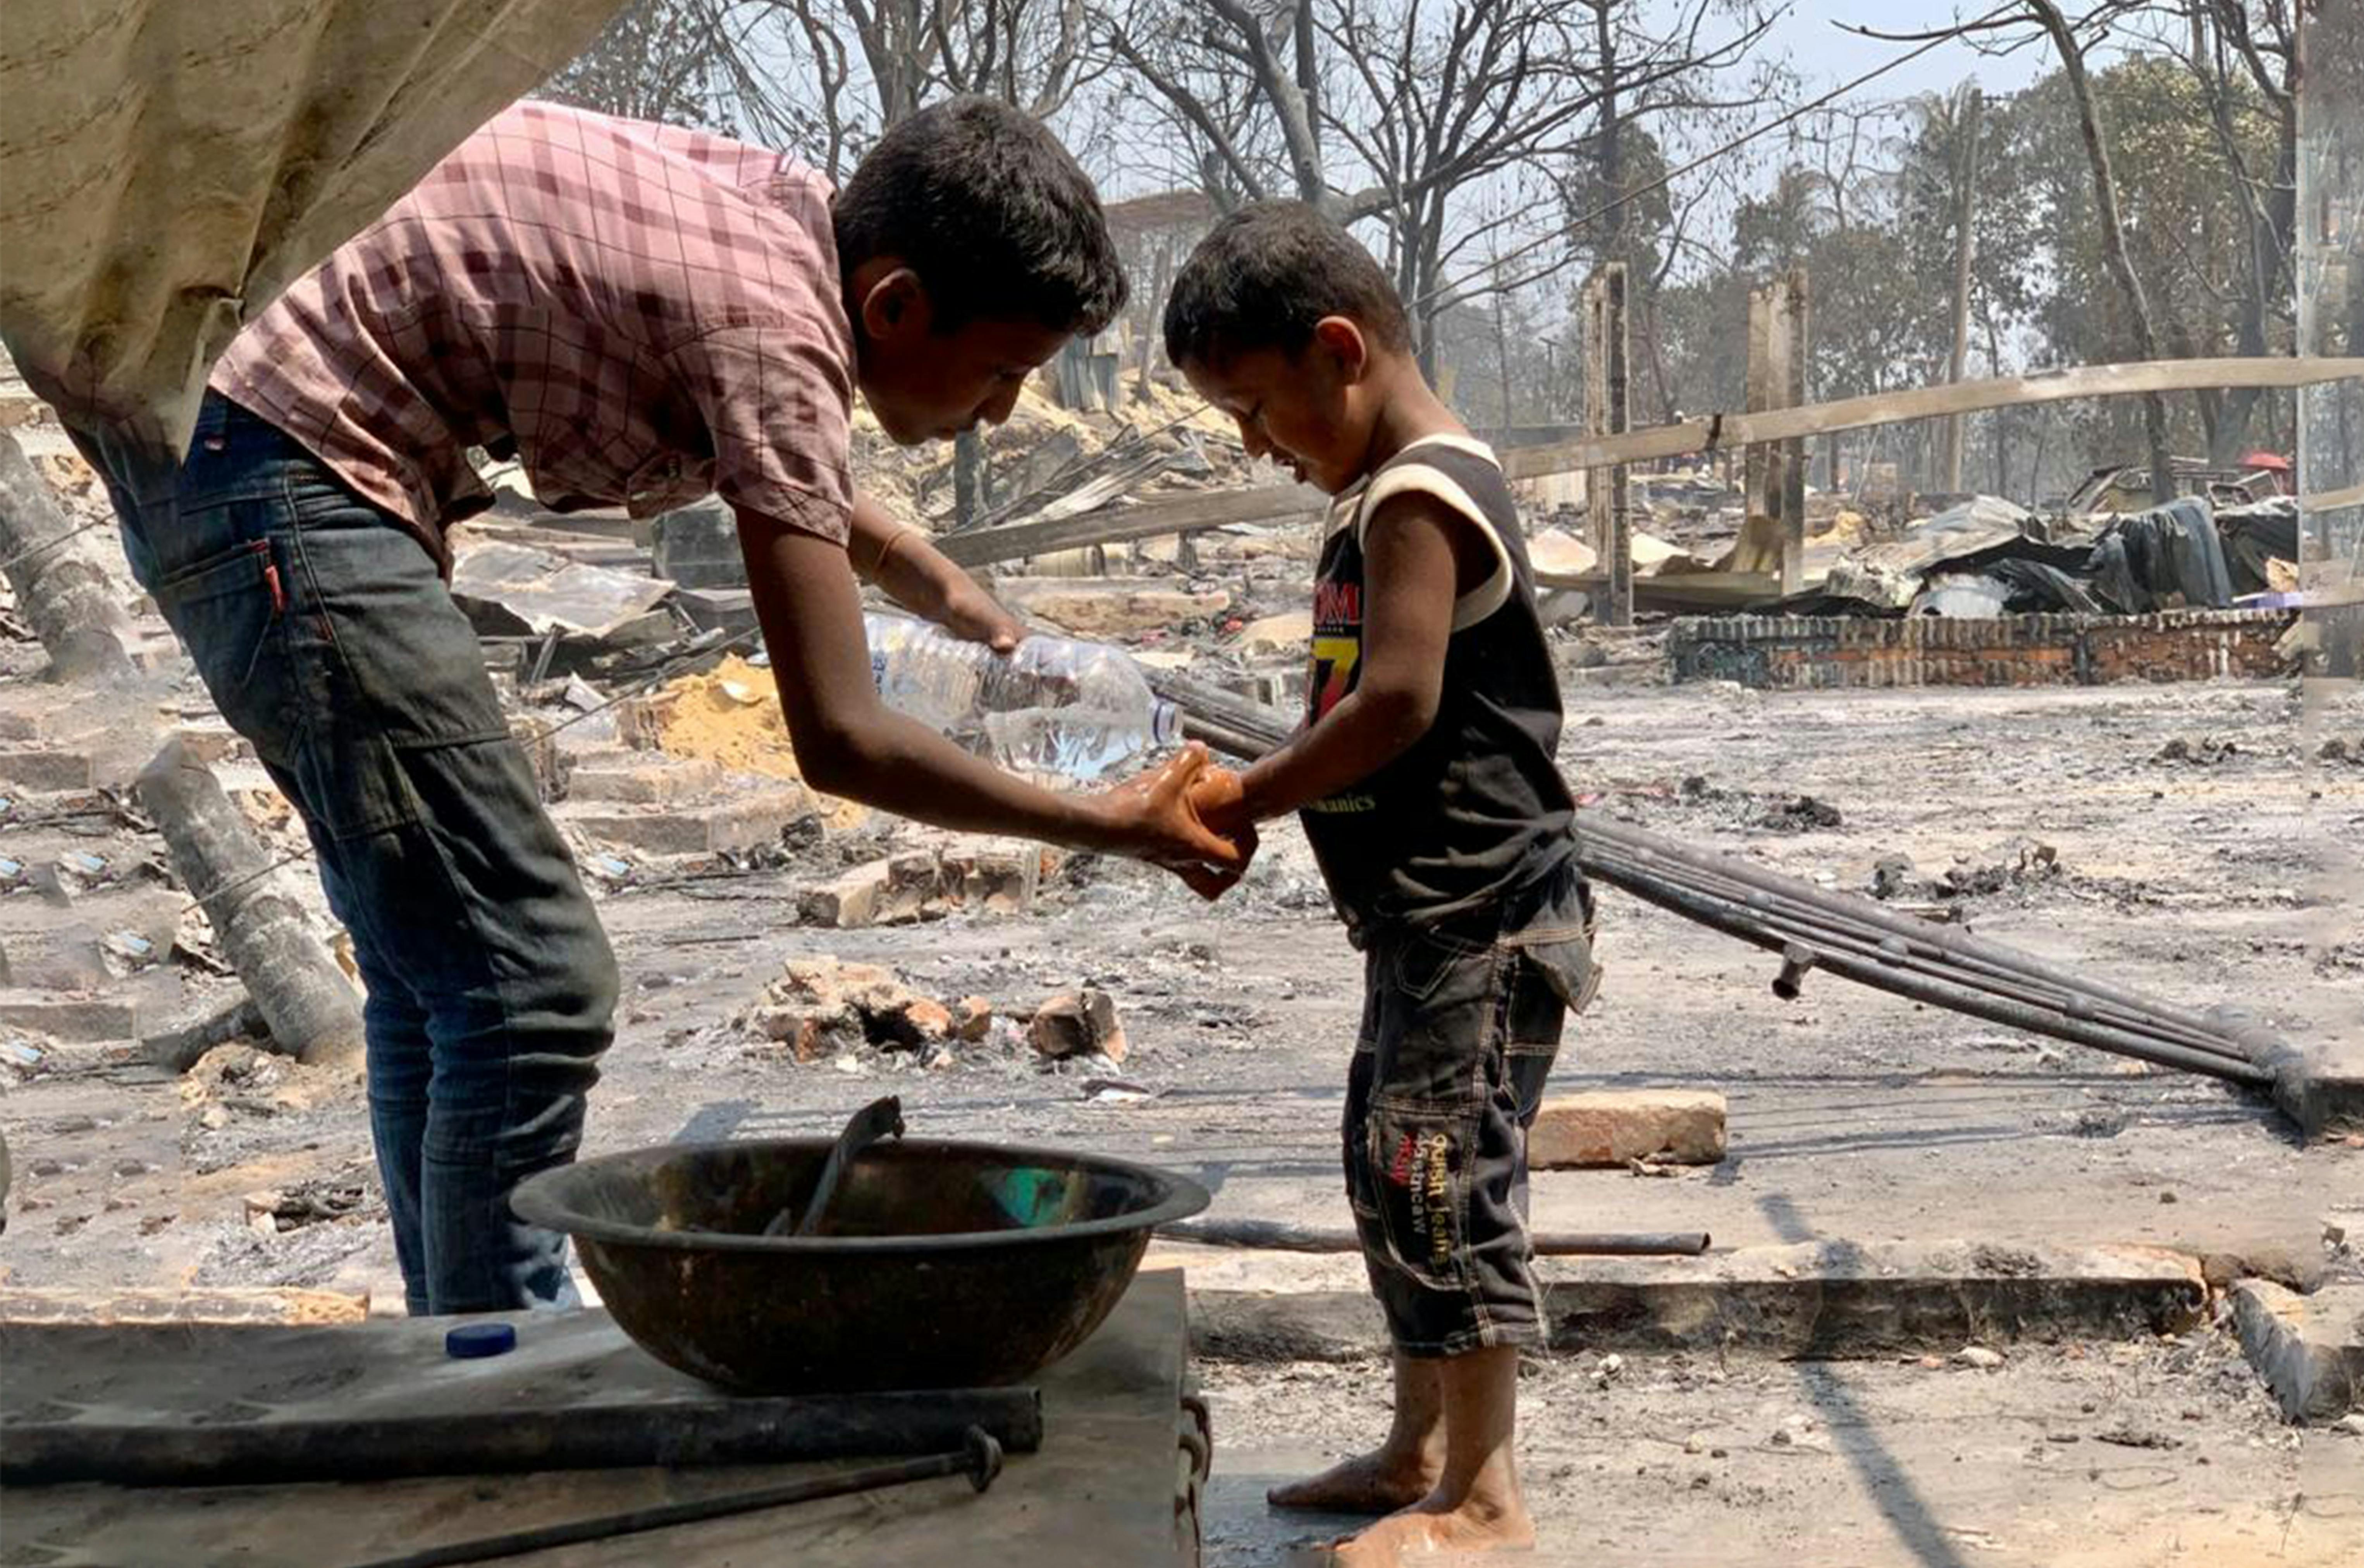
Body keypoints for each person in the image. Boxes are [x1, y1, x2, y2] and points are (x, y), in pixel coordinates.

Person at [91, 96, 1247, 1318]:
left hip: (226, 426)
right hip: (283, 456)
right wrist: (1105, 822)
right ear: (896, 304)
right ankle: (501, 1382)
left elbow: (768, 453)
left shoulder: (782, 222)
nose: (1007, 408)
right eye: (1007, 371)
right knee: (531, 980)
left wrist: (928, 578)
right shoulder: (779, 330)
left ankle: (459, 1357)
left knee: (440, 977)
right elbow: (843, 740)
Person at [1165, 203, 1598, 1567]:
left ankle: (1488, 1497)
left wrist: (1248, 791)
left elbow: (1400, 702)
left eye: (1254, 407)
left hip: (1484, 913)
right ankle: (1421, 1448)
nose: (1253, 444)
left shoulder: (1422, 494)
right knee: (1389, 1168)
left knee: (1442, 1178)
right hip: (1427, 918)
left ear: (1339, 350)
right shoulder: (1379, 494)